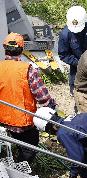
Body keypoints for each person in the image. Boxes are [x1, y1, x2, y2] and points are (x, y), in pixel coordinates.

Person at [0, 33, 56, 163]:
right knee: (29, 147)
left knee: (14, 141)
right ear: (21, 49)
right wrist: (52, 105)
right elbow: (43, 97)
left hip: (2, 118)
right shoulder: (28, 70)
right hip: (21, 122)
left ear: (5, 49)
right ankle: (21, 171)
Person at [58, 6, 87, 96]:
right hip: (77, 67)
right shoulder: (65, 35)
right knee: (77, 93)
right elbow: (63, 55)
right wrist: (80, 63)